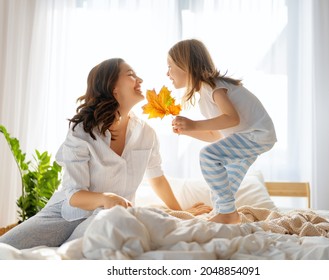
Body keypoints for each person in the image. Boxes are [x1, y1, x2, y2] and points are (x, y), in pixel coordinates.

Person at [0, 58, 211, 249]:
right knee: (6, 248)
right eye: (131, 75)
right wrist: (105, 197)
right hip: (64, 214)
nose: (140, 79)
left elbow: (156, 178)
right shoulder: (82, 130)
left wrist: (181, 212)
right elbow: (74, 195)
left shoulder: (146, 134)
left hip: (110, 217)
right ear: (113, 88)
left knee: (76, 253)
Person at [168, 39, 277, 224]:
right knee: (222, 180)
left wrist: (193, 124)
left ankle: (228, 213)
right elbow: (215, 135)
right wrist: (187, 131)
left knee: (208, 156)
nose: (167, 73)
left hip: (255, 134)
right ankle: (223, 214)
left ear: (185, 65)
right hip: (250, 136)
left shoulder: (214, 86)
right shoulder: (204, 96)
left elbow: (232, 118)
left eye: (170, 66)